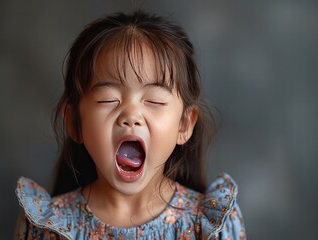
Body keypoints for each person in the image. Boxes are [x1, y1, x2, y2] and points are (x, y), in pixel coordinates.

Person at [15, 10, 246, 239]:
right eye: (108, 99)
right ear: (75, 123)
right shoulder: (45, 228)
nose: (131, 115)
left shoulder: (210, 228)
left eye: (154, 100)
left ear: (184, 125)